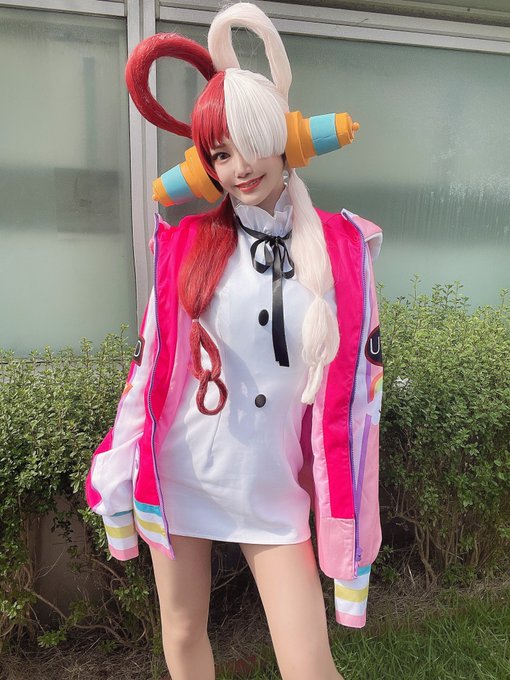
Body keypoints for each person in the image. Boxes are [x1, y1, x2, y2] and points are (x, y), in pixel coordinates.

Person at [85, 4, 383, 679]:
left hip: (273, 488)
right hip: (183, 473)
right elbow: (149, 370)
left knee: (310, 667)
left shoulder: (344, 247)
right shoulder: (186, 244)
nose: (240, 167)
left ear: (282, 137)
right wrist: (118, 466)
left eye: (249, 143)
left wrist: (352, 519)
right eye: (220, 154)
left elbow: (360, 398)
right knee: (183, 631)